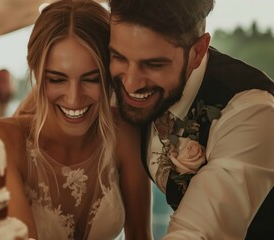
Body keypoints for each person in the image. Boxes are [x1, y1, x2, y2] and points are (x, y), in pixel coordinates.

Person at [108, 0, 274, 239]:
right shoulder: (125, 84)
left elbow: (197, 232)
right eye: (119, 57)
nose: (131, 83)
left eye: (154, 64)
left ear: (197, 52)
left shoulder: (252, 111)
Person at [0, 1, 151, 239]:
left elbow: (140, 233)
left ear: (109, 76)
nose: (74, 99)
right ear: (36, 73)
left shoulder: (125, 131)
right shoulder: (1, 140)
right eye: (57, 79)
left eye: (91, 79)